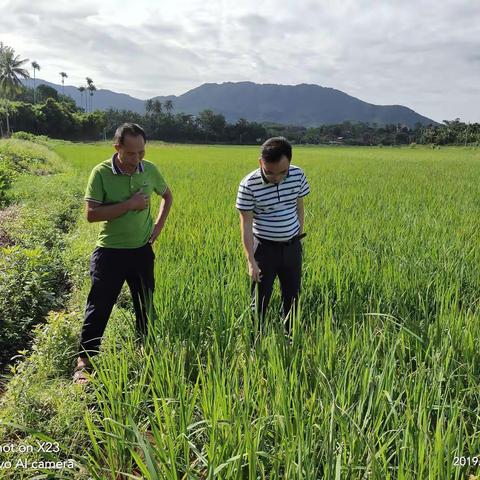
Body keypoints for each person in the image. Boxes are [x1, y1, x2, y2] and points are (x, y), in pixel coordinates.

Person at [73, 123, 173, 383]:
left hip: (141, 251)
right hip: (110, 253)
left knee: (145, 304)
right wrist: (130, 205)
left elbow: (167, 196)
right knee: (99, 306)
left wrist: (158, 226)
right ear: (117, 147)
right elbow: (91, 214)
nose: (137, 159)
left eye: (141, 152)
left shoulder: (149, 170)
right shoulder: (101, 173)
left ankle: (145, 350)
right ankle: (85, 361)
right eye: (131, 153)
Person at [235, 136, 310, 335]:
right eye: (270, 172)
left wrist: (298, 237)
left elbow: (299, 206)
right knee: (260, 300)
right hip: (264, 250)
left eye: (282, 172)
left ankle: (291, 338)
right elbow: (246, 223)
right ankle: (256, 342)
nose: (276, 178)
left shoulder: (298, 175)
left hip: (292, 247)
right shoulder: (248, 185)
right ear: (261, 162)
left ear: (290, 164)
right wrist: (250, 260)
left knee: (293, 297)